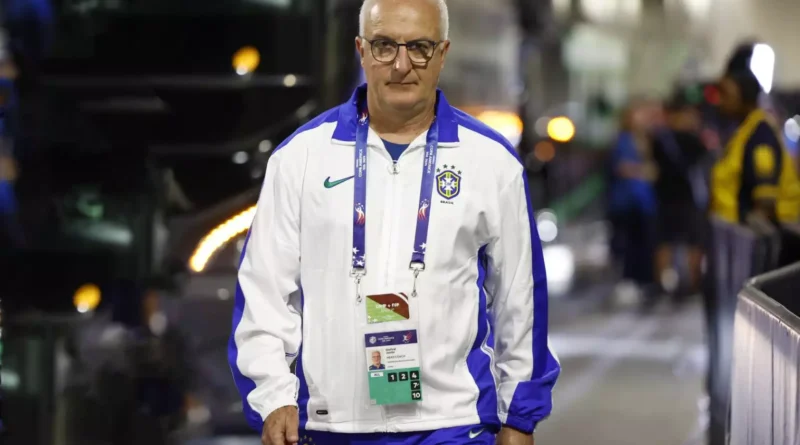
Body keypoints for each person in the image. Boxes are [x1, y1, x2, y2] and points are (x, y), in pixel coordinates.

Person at [227, 1, 560, 444]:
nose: (401, 65)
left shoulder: (491, 162)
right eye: (385, 46)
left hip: (452, 425)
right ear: (361, 50)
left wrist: (519, 417)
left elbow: (520, 299)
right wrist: (273, 396)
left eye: (419, 47)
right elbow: (264, 292)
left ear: (443, 53)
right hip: (329, 426)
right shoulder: (301, 158)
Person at [711, 69, 800, 225]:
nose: (720, 101)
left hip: (757, 233)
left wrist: (756, 235)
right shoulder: (745, 131)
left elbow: (765, 199)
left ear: (745, 97)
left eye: (727, 95)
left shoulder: (761, 135)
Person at [651, 97, 708, 298]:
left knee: (665, 242)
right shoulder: (692, 140)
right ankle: (692, 285)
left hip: (664, 199)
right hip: (686, 199)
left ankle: (663, 286)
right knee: (691, 243)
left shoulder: (659, 139)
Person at [608, 103, 658, 305]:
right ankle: (629, 281)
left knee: (645, 244)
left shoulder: (647, 139)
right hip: (627, 203)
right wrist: (644, 171)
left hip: (644, 203)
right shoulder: (623, 141)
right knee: (628, 245)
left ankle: (644, 282)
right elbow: (621, 167)